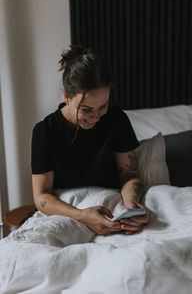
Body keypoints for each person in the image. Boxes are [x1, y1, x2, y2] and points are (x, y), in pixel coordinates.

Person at [30, 45, 149, 236]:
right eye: (86, 110)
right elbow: (42, 196)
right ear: (67, 97)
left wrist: (131, 205)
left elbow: (130, 176)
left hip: (111, 209)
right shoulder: (45, 132)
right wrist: (82, 216)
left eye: (102, 107)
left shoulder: (116, 119)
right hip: (67, 213)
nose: (95, 117)